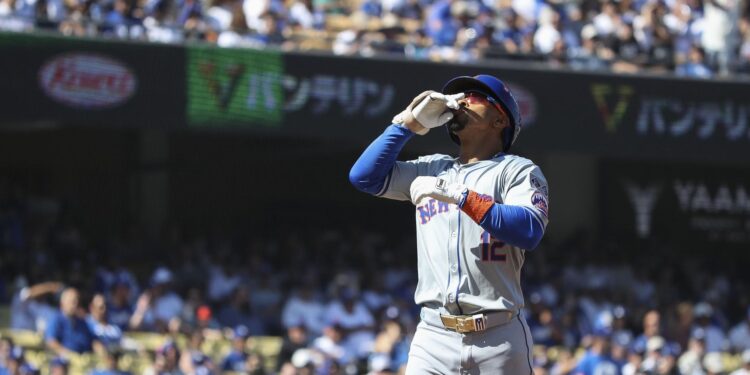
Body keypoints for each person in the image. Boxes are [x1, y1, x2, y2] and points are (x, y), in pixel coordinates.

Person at [349, 74, 549, 374]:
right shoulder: (432, 167)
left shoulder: (516, 170)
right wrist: (405, 125)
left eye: (475, 96)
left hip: (498, 336)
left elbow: (529, 230)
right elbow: (364, 177)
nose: (461, 100)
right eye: (460, 95)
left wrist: (458, 195)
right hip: (434, 334)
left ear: (499, 120)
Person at [45, 288, 101, 356]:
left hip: (86, 357)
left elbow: (94, 341)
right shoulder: (56, 319)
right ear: (63, 302)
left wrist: (103, 353)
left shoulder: (82, 321)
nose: (75, 304)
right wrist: (69, 355)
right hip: (67, 360)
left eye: (77, 301)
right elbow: (51, 341)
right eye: (72, 301)